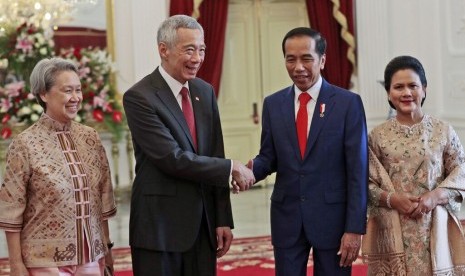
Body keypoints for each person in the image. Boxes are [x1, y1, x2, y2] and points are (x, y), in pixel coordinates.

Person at [122, 14, 254, 276]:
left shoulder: (204, 91)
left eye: (202, 49)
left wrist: (222, 219)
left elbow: (215, 152)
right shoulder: (140, 97)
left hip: (203, 227)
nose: (197, 58)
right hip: (159, 229)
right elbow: (171, 158)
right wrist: (231, 168)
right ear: (163, 49)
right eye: (189, 50)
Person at [248, 27, 368, 275]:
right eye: (290, 59)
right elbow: (269, 157)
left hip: (332, 219)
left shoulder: (347, 104)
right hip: (287, 217)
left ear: (322, 60)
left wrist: (355, 228)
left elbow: (358, 170)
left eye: (306, 58)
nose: (298, 67)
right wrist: (247, 171)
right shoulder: (273, 104)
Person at [0, 57, 117, 275]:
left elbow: (101, 198)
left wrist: (107, 247)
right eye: (67, 91)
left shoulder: (90, 137)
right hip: (43, 260)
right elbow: (11, 208)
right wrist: (16, 263)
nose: (76, 98)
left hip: (92, 255)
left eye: (78, 90)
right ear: (43, 94)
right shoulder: (25, 144)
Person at [362, 55, 465, 275]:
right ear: (389, 93)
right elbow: (366, 183)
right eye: (399, 87)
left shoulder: (442, 131)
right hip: (392, 226)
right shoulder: (377, 137)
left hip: (435, 225)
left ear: (424, 89)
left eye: (413, 86)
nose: (406, 93)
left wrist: (436, 196)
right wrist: (393, 199)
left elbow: (461, 172)